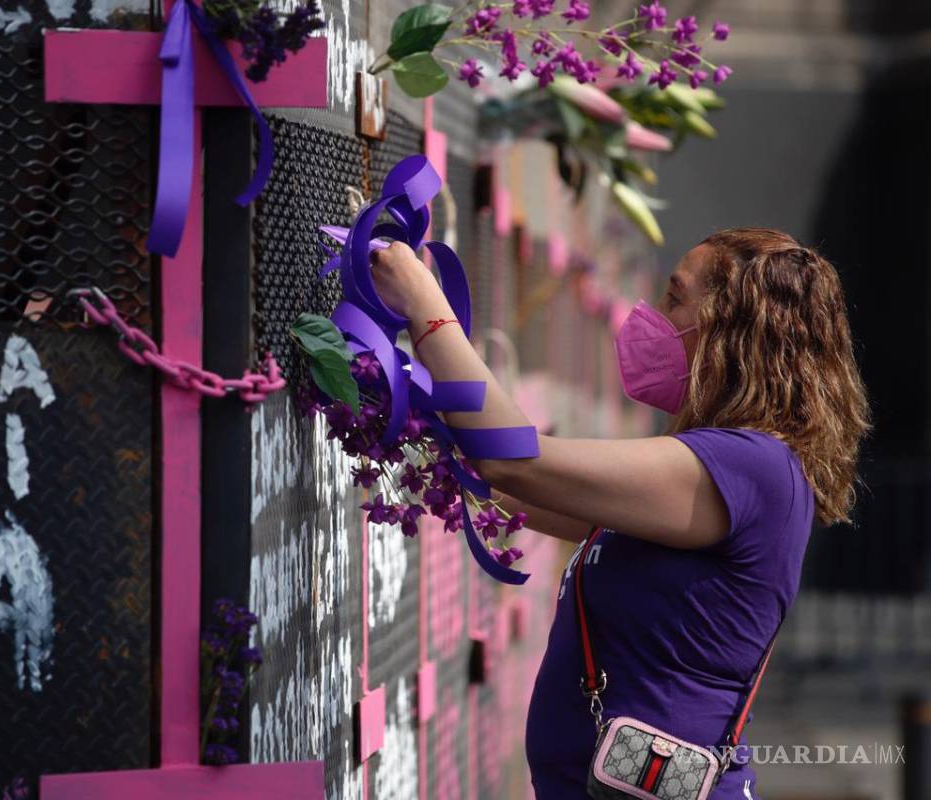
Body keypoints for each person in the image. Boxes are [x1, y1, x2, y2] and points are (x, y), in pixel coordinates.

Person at [368, 227, 871, 799]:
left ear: (731, 330)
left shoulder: (749, 465)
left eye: (674, 298)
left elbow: (518, 464)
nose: (652, 315)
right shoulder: (734, 468)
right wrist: (399, 420)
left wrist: (424, 306)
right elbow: (507, 486)